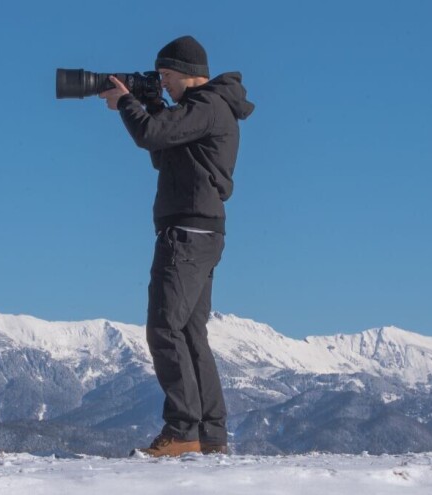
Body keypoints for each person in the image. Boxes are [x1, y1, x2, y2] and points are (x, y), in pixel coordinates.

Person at [99, 35, 254, 457]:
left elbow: (149, 136)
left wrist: (129, 105)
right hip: (199, 231)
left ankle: (184, 429)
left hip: (186, 234)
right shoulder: (204, 109)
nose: (163, 84)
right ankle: (210, 435)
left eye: (166, 76)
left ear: (187, 72)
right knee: (189, 333)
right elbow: (163, 149)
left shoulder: (206, 106)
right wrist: (147, 106)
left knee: (164, 327)